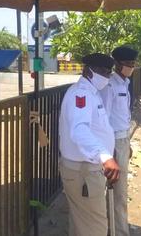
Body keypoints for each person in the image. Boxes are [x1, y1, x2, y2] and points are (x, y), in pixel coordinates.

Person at [59, 52, 119, 236]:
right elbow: (79, 130)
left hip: (87, 169)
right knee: (95, 227)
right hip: (83, 171)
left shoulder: (92, 93)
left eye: (108, 72)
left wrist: (109, 150)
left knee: (83, 223)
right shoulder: (81, 95)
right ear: (87, 71)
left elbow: (98, 128)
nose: (106, 76)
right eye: (101, 71)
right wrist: (105, 155)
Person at [99, 46, 138, 236]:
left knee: (121, 191)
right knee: (118, 191)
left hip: (123, 139)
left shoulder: (125, 83)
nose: (131, 67)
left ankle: (118, 226)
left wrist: (127, 145)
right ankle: (118, 231)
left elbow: (123, 116)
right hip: (113, 141)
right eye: (128, 64)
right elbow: (104, 118)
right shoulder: (110, 86)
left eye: (133, 64)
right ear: (117, 64)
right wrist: (109, 150)